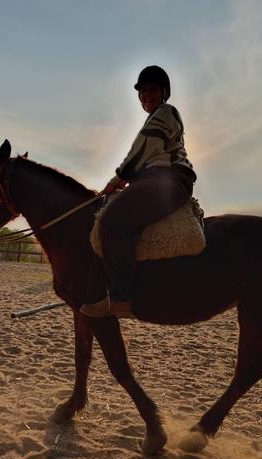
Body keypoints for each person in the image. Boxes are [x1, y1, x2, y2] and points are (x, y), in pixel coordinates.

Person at [80, 65, 196, 318]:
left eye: (152, 89)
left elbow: (142, 149)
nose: (146, 95)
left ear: (164, 92)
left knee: (112, 221)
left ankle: (121, 300)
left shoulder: (166, 113)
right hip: (154, 180)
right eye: (142, 92)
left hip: (169, 179)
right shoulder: (154, 117)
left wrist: (118, 177)